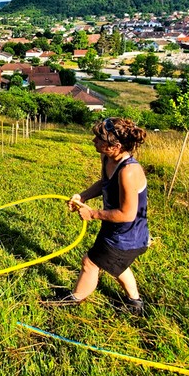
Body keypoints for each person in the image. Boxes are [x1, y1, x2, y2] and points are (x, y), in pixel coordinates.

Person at [60, 117, 149, 315]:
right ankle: (135, 303)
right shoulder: (108, 158)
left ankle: (74, 300)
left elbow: (127, 214)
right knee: (115, 265)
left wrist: (91, 214)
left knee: (90, 262)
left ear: (115, 146)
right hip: (114, 227)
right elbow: (104, 184)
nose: (94, 141)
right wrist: (83, 195)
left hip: (128, 235)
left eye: (99, 139)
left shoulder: (129, 171)